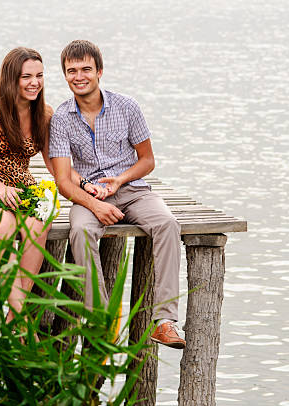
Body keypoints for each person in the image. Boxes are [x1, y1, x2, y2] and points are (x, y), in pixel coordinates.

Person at [49, 40, 186, 349]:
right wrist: (95, 204)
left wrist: (120, 180)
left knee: (167, 224)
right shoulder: (60, 119)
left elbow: (148, 161)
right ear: (65, 75)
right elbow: (62, 180)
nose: (79, 76)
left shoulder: (127, 107)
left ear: (99, 71)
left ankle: (164, 322)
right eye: (71, 71)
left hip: (133, 191)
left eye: (86, 69)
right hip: (88, 197)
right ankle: (101, 318)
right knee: (81, 230)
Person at [0, 47, 54, 327]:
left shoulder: (45, 113)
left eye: (39, 75)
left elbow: (56, 166)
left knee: (40, 223)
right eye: (26, 76)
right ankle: (22, 321)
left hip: (25, 189)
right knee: (4, 227)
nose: (34, 82)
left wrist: (88, 187)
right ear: (10, 78)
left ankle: (15, 318)